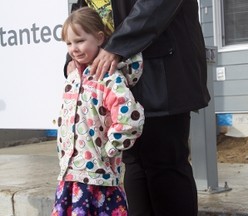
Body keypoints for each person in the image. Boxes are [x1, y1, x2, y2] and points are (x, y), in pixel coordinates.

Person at [67, 0, 211, 215]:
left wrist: (117, 46)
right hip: (117, 77)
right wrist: (74, 56)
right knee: (134, 163)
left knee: (165, 161)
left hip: (161, 71)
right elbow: (84, 11)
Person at [52, 6, 144, 216]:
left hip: (99, 177)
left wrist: (111, 148)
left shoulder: (110, 79)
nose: (74, 48)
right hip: (71, 174)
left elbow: (130, 118)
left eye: (80, 41)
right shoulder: (74, 78)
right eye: (69, 43)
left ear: (100, 38)